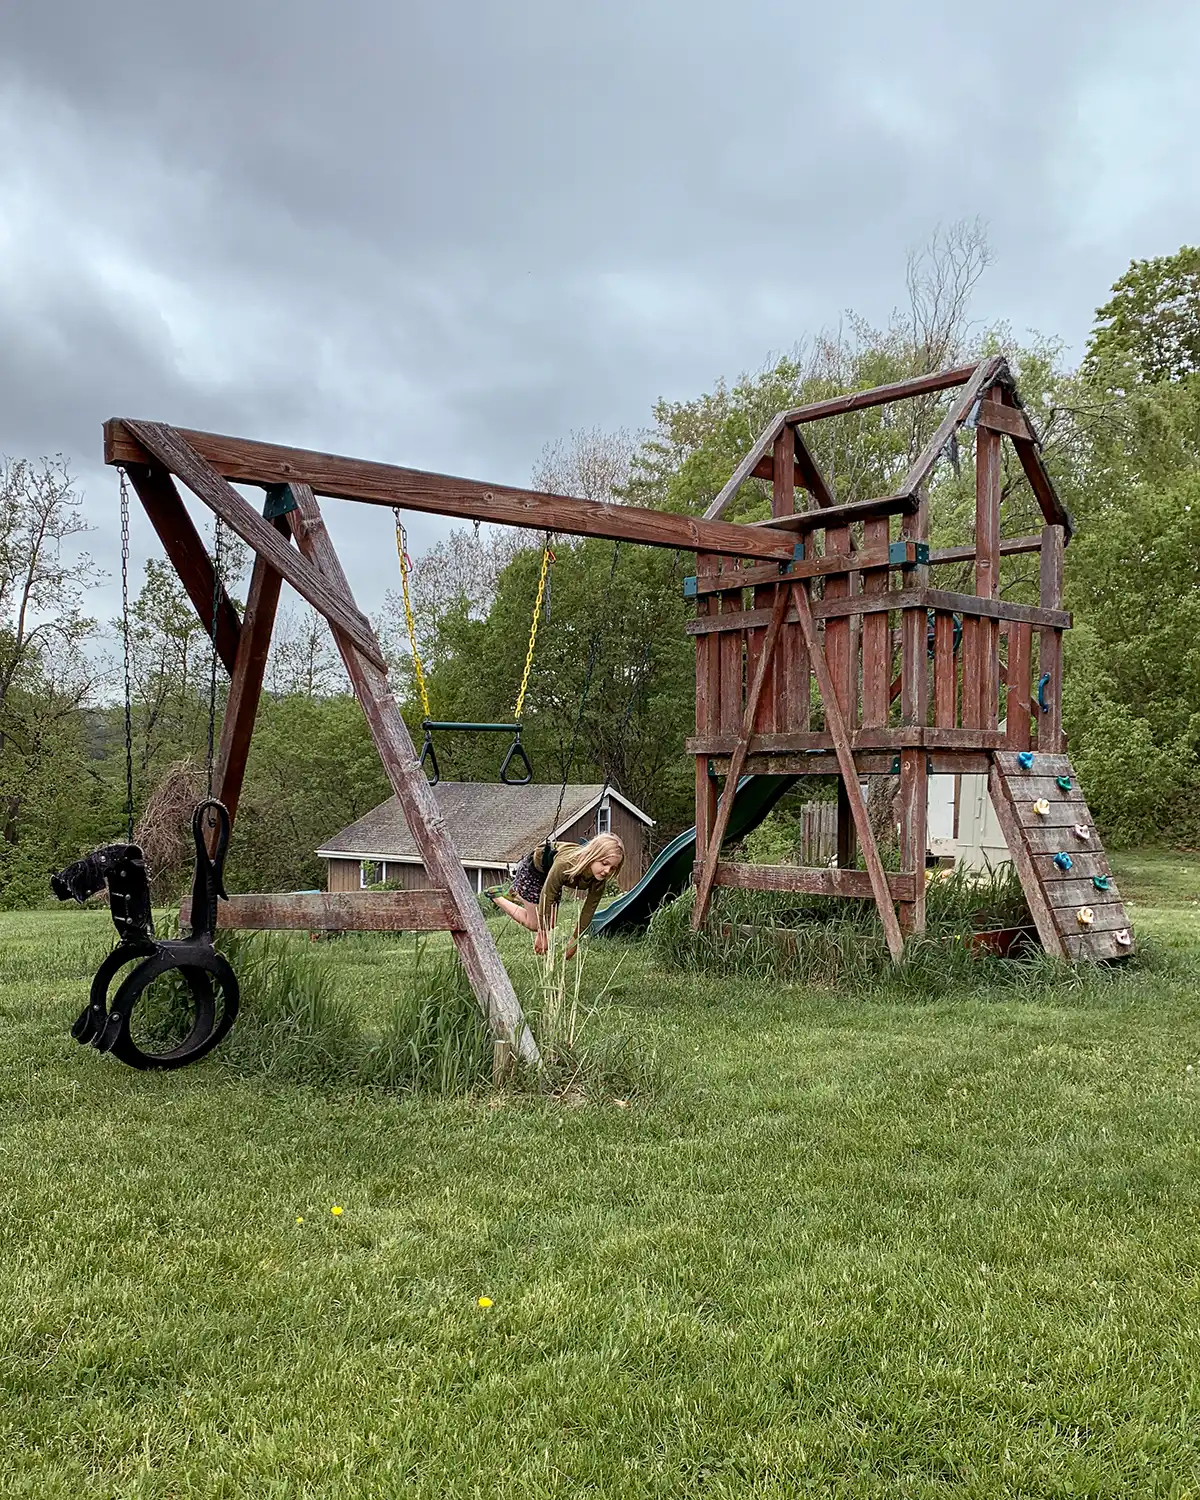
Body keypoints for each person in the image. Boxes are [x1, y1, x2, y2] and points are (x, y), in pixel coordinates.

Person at [489, 832, 624, 957]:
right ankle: (496, 896)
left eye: (612, 868)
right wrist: (542, 933)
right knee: (535, 924)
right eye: (604, 863)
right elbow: (548, 894)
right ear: (592, 856)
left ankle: (519, 894)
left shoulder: (599, 881)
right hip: (534, 871)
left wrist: (574, 941)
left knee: (551, 922)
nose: (607, 871)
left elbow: (589, 910)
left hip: (552, 876)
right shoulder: (565, 864)